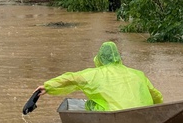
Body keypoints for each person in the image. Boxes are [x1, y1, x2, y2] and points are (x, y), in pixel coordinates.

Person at [33, 41, 163, 111]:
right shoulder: (138, 74)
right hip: (142, 115)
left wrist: (47, 86)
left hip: (113, 115)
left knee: (90, 104)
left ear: (100, 59)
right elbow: (155, 95)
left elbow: (71, 78)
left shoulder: (94, 74)